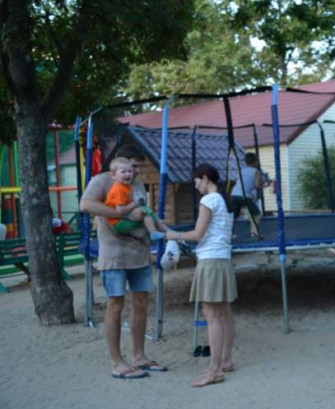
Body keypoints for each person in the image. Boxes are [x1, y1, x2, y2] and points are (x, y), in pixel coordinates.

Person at [79, 144, 168, 379]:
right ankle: (117, 362)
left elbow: (144, 212)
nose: (136, 172)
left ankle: (140, 357)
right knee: (115, 304)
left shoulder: (136, 184)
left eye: (138, 168)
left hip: (139, 252)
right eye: (133, 166)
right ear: (121, 162)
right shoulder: (102, 180)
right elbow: (85, 205)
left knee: (141, 302)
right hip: (114, 254)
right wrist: (120, 213)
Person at [166, 163, 237, 387]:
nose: (195, 186)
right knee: (224, 311)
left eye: (196, 181)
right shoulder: (225, 200)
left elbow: (197, 234)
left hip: (210, 260)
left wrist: (174, 235)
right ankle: (225, 360)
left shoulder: (209, 200)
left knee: (211, 314)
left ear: (205, 178)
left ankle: (214, 370)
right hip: (223, 259)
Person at [104, 157, 166, 242]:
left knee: (149, 213)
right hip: (118, 223)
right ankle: (154, 233)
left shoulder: (126, 186)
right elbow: (120, 210)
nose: (128, 174)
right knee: (146, 212)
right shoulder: (119, 189)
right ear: (114, 175)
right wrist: (135, 204)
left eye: (130, 171)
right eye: (123, 172)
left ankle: (160, 230)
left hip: (123, 218)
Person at [231, 152, 263, 225]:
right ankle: (254, 230)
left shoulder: (241, 170)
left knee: (234, 217)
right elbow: (256, 186)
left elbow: (243, 182)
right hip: (244, 196)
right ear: (255, 162)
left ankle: (229, 231)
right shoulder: (256, 171)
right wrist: (262, 184)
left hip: (234, 194)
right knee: (257, 215)